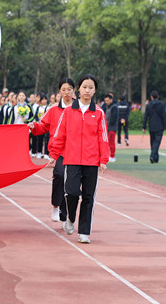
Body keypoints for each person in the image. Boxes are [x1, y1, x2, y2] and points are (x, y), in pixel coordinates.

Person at [47, 74, 109, 244]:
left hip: (91, 161)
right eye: (84, 87)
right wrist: (54, 155)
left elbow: (102, 137)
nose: (87, 90)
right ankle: (70, 218)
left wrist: (103, 159)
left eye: (91, 87)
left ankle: (84, 232)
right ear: (79, 89)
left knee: (88, 197)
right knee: (72, 192)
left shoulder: (99, 112)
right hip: (72, 159)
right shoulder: (68, 111)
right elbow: (60, 135)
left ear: (95, 90)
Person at [29, 78, 75, 223]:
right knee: (59, 176)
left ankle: (64, 214)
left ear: (74, 90)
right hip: (59, 151)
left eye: (69, 89)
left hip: (75, 151)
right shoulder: (54, 109)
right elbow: (43, 126)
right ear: (59, 91)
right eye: (63, 89)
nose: (66, 92)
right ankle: (56, 205)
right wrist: (34, 127)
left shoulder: (79, 108)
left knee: (71, 185)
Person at [143, 90, 166, 164]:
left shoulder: (148, 105)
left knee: (152, 142)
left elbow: (145, 117)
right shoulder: (161, 105)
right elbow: (164, 115)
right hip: (159, 126)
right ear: (158, 96)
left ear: (151, 97)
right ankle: (152, 155)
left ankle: (156, 158)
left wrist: (144, 127)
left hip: (151, 126)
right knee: (157, 142)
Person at [103, 94, 118, 163]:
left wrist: (108, 124)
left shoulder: (114, 107)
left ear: (111, 100)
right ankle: (107, 155)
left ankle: (112, 156)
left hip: (111, 128)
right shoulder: (105, 106)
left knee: (111, 143)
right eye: (105, 100)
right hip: (105, 128)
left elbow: (114, 118)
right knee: (105, 143)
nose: (106, 102)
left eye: (108, 100)